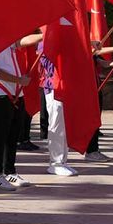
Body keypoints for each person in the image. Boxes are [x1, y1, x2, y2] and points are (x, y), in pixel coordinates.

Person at [0, 33, 42, 191]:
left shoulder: (7, 38)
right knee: (0, 133)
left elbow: (22, 42)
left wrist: (42, 35)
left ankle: (10, 171)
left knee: (13, 133)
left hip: (17, 91)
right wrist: (19, 80)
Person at [38, 45, 77, 177]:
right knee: (56, 123)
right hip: (53, 86)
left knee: (64, 124)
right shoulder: (47, 40)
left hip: (64, 85)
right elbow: (46, 64)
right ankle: (55, 162)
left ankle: (63, 160)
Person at [84, 41, 113, 162]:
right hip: (86, 90)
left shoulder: (93, 54)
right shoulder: (83, 50)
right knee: (90, 120)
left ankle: (94, 149)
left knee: (96, 120)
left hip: (96, 88)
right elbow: (97, 51)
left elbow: (103, 63)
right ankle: (90, 150)